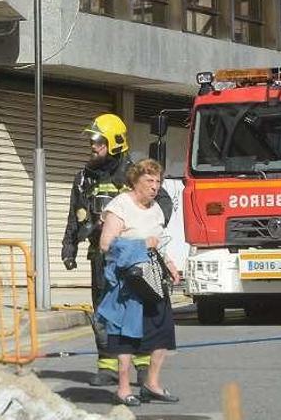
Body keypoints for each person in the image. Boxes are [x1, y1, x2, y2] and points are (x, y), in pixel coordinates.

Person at [60, 113, 172, 387]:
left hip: (135, 257)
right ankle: (107, 365)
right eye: (92, 140)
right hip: (102, 257)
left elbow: (164, 203)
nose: (93, 145)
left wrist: (141, 228)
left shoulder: (135, 174)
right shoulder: (84, 177)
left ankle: (143, 367)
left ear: (115, 142)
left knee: (139, 310)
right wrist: (69, 247)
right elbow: (75, 214)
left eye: (98, 140)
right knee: (105, 311)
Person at [97, 158, 180, 406]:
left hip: (153, 276)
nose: (155, 186)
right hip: (129, 282)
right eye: (149, 181)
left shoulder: (155, 209)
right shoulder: (120, 205)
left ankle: (151, 384)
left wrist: (171, 265)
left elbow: (160, 243)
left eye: (158, 181)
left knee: (162, 332)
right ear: (135, 181)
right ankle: (123, 389)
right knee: (127, 336)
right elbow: (106, 245)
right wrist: (141, 245)